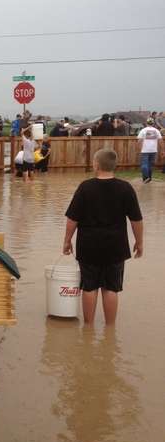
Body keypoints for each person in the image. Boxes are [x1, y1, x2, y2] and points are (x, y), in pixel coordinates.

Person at [63, 148, 143, 324]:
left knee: (89, 287)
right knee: (111, 288)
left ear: (96, 164)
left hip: (89, 245)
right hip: (116, 246)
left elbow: (72, 219)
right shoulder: (125, 188)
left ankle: (89, 327)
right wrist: (139, 242)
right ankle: (110, 329)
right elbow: (136, 219)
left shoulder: (85, 187)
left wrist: (67, 241)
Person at [137, 118, 163, 183]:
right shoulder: (157, 131)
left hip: (145, 150)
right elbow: (160, 141)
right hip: (153, 150)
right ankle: (149, 178)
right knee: (150, 165)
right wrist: (163, 150)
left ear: (146, 123)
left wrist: (139, 149)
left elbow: (139, 141)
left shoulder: (143, 130)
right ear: (153, 123)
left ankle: (146, 177)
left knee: (144, 164)